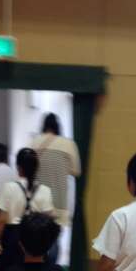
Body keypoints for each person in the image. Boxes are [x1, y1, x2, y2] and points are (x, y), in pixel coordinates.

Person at [0, 148, 54, 271]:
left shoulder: (9, 187)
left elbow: (2, 219)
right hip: (36, 237)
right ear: (36, 168)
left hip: (11, 237)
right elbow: (48, 219)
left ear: (18, 167)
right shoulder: (45, 190)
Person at [31, 113, 81, 263]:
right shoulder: (68, 144)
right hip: (58, 201)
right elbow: (76, 171)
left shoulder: (33, 143)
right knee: (54, 238)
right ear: (58, 127)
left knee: (36, 239)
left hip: (36, 200)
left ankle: (36, 270)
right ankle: (50, 270)